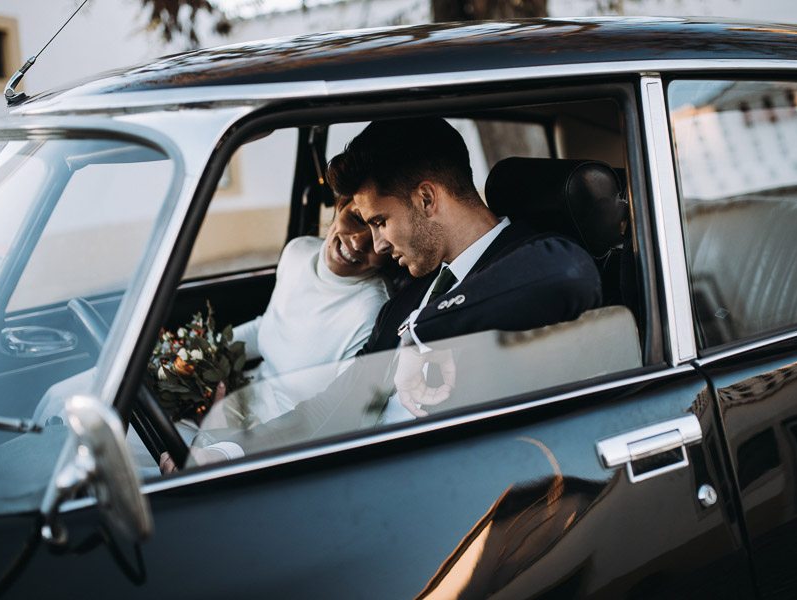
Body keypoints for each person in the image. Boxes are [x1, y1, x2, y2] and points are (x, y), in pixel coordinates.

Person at [177, 117, 602, 467]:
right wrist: (231, 452)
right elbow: (339, 404)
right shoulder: (408, 294)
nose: (377, 245)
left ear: (426, 199)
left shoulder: (530, 260)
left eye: (380, 221)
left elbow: (569, 273)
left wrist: (422, 334)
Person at [225, 194, 392, 424]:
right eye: (357, 219)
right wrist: (196, 357)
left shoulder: (371, 313)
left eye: (378, 235)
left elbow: (337, 414)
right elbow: (269, 325)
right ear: (340, 206)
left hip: (276, 435)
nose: (357, 242)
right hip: (239, 398)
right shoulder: (299, 251)